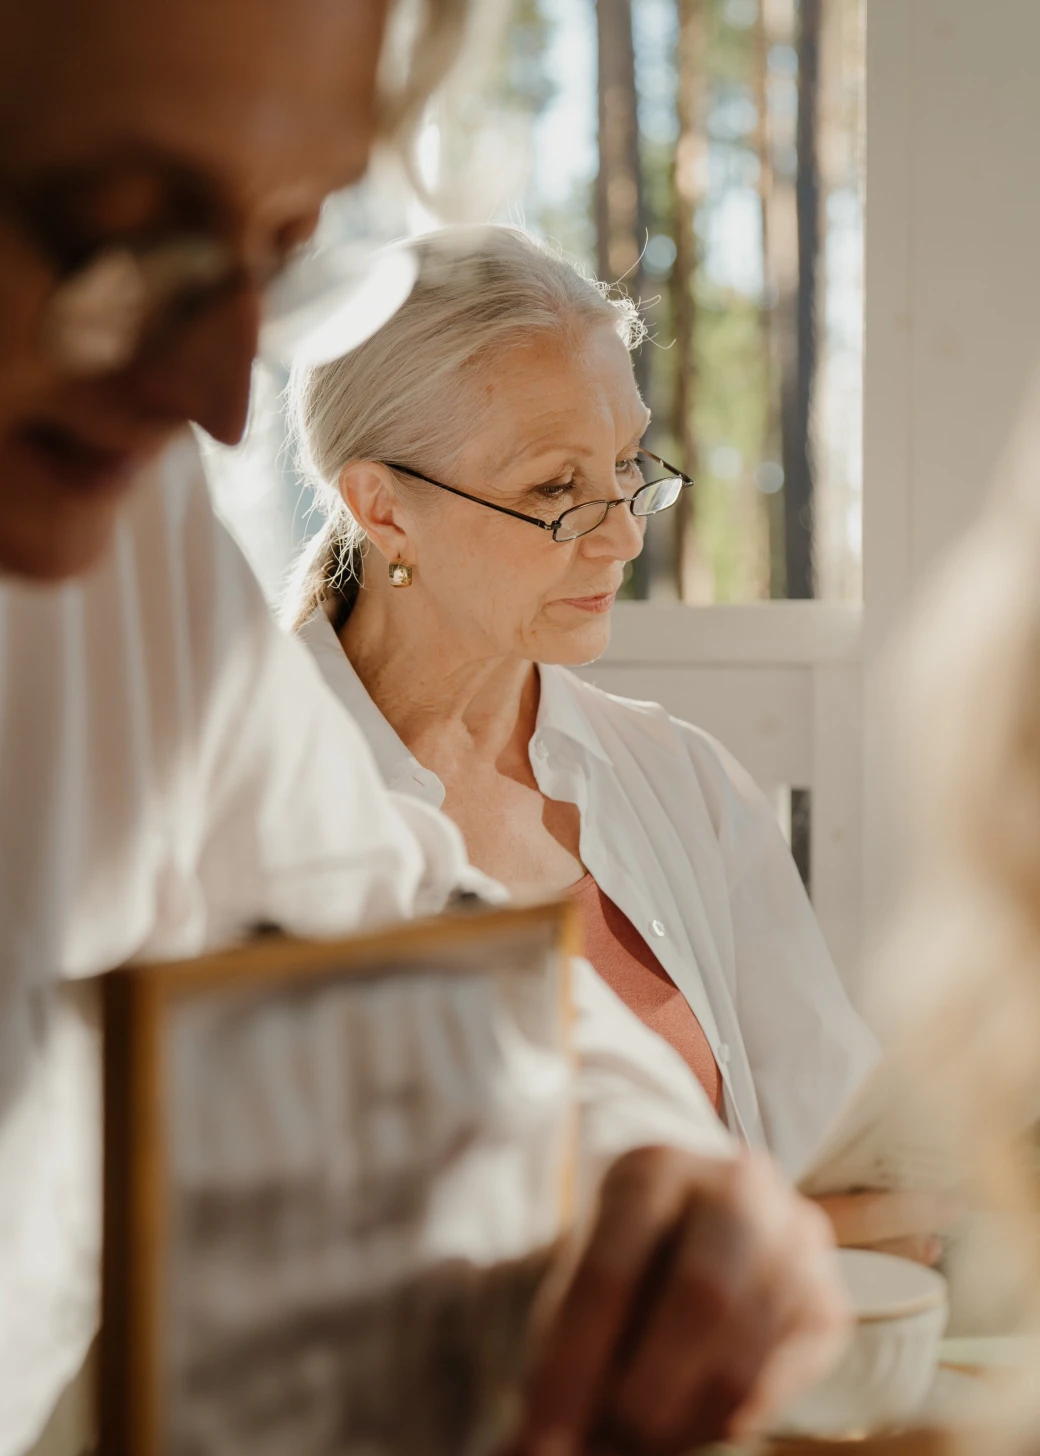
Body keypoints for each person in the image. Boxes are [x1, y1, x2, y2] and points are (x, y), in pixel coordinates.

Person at [0, 8, 848, 1455]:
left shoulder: (137, 559)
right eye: (122, 238)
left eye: (277, 252)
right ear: (377, 500)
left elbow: (389, 934)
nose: (215, 397)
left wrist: (649, 1169)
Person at [288, 224, 956, 1270]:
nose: (622, 534)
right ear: (383, 509)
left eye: (624, 463)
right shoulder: (244, 811)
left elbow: (838, 1152)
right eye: (554, 489)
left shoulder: (682, 783)